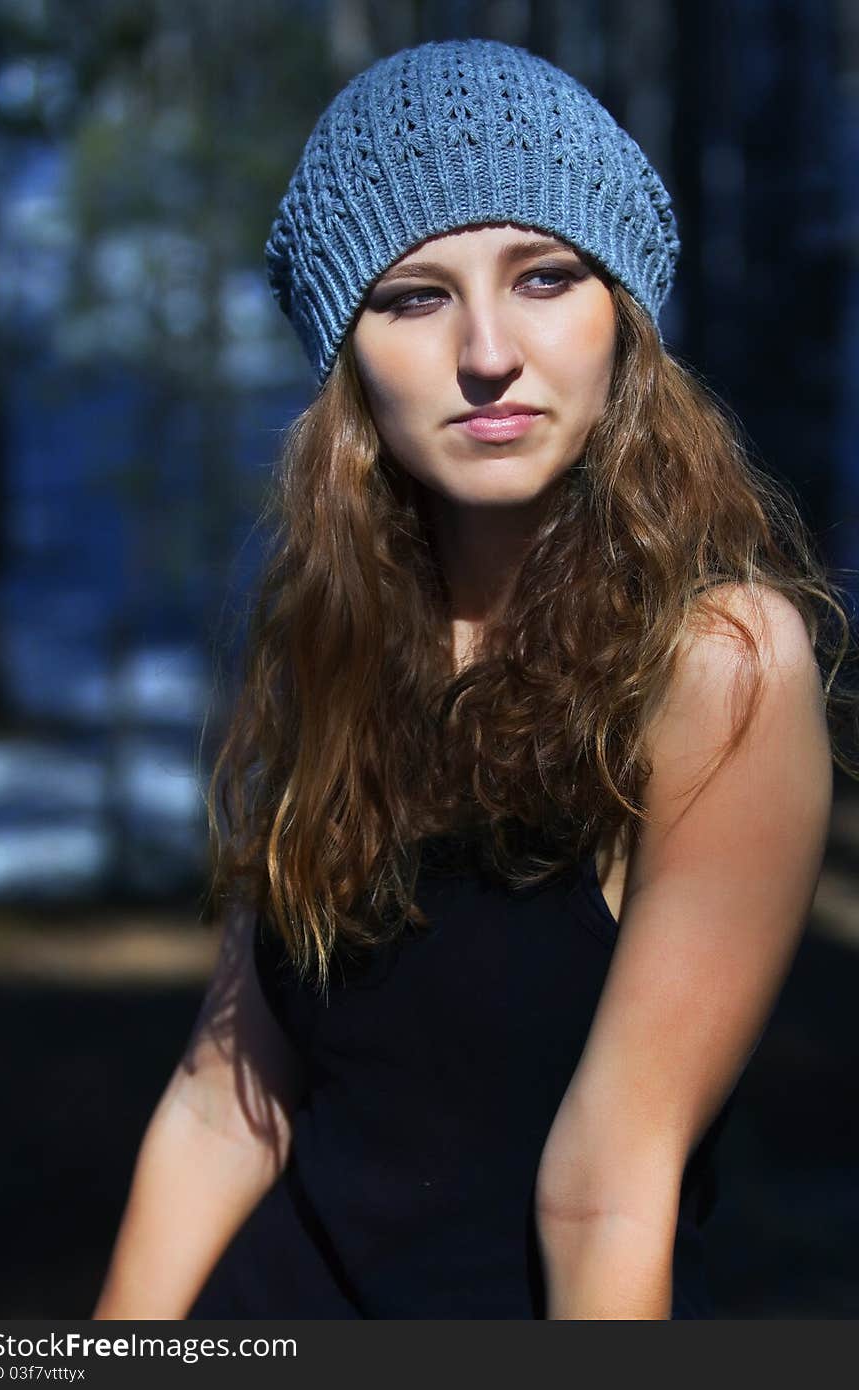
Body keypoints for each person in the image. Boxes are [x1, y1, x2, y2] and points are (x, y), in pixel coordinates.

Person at [93, 37, 850, 1321]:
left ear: (621, 314)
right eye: (413, 296)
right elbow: (227, 1101)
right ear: (346, 362)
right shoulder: (335, 646)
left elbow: (607, 1189)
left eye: (544, 274)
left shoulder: (714, 664)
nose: (488, 349)